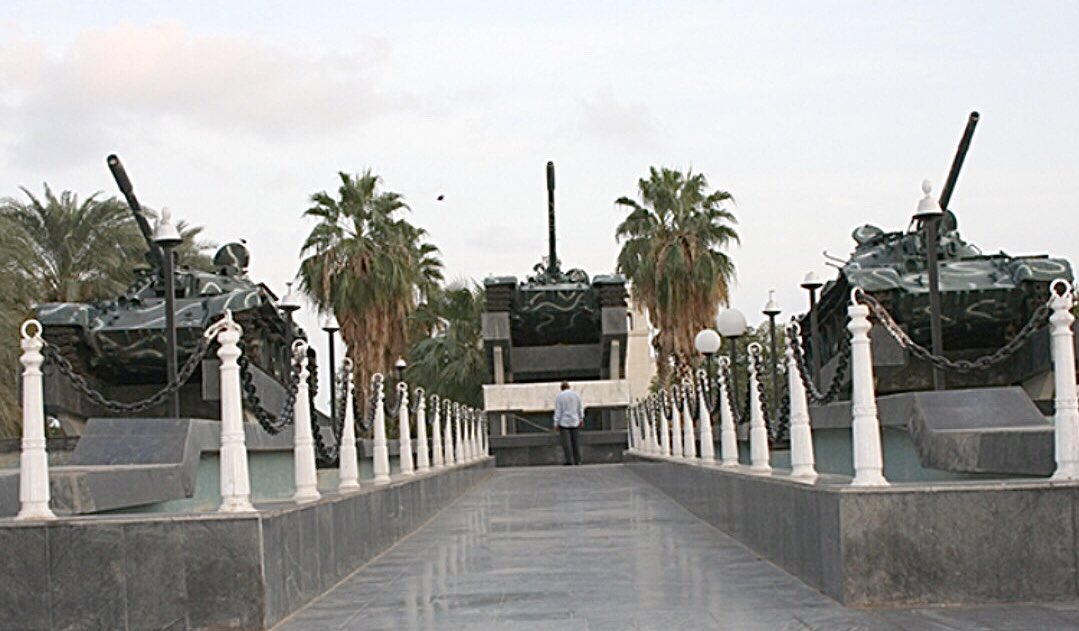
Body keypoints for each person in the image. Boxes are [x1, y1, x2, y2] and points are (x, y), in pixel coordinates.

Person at [553, 381, 584, 465]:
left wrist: (556, 423)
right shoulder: (576, 395)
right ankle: (578, 460)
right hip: (575, 421)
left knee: (567, 443)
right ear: (569, 387)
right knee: (576, 442)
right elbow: (580, 408)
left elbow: (558, 411)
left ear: (561, 388)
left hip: (564, 423)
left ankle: (569, 460)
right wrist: (581, 419)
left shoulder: (559, 397)